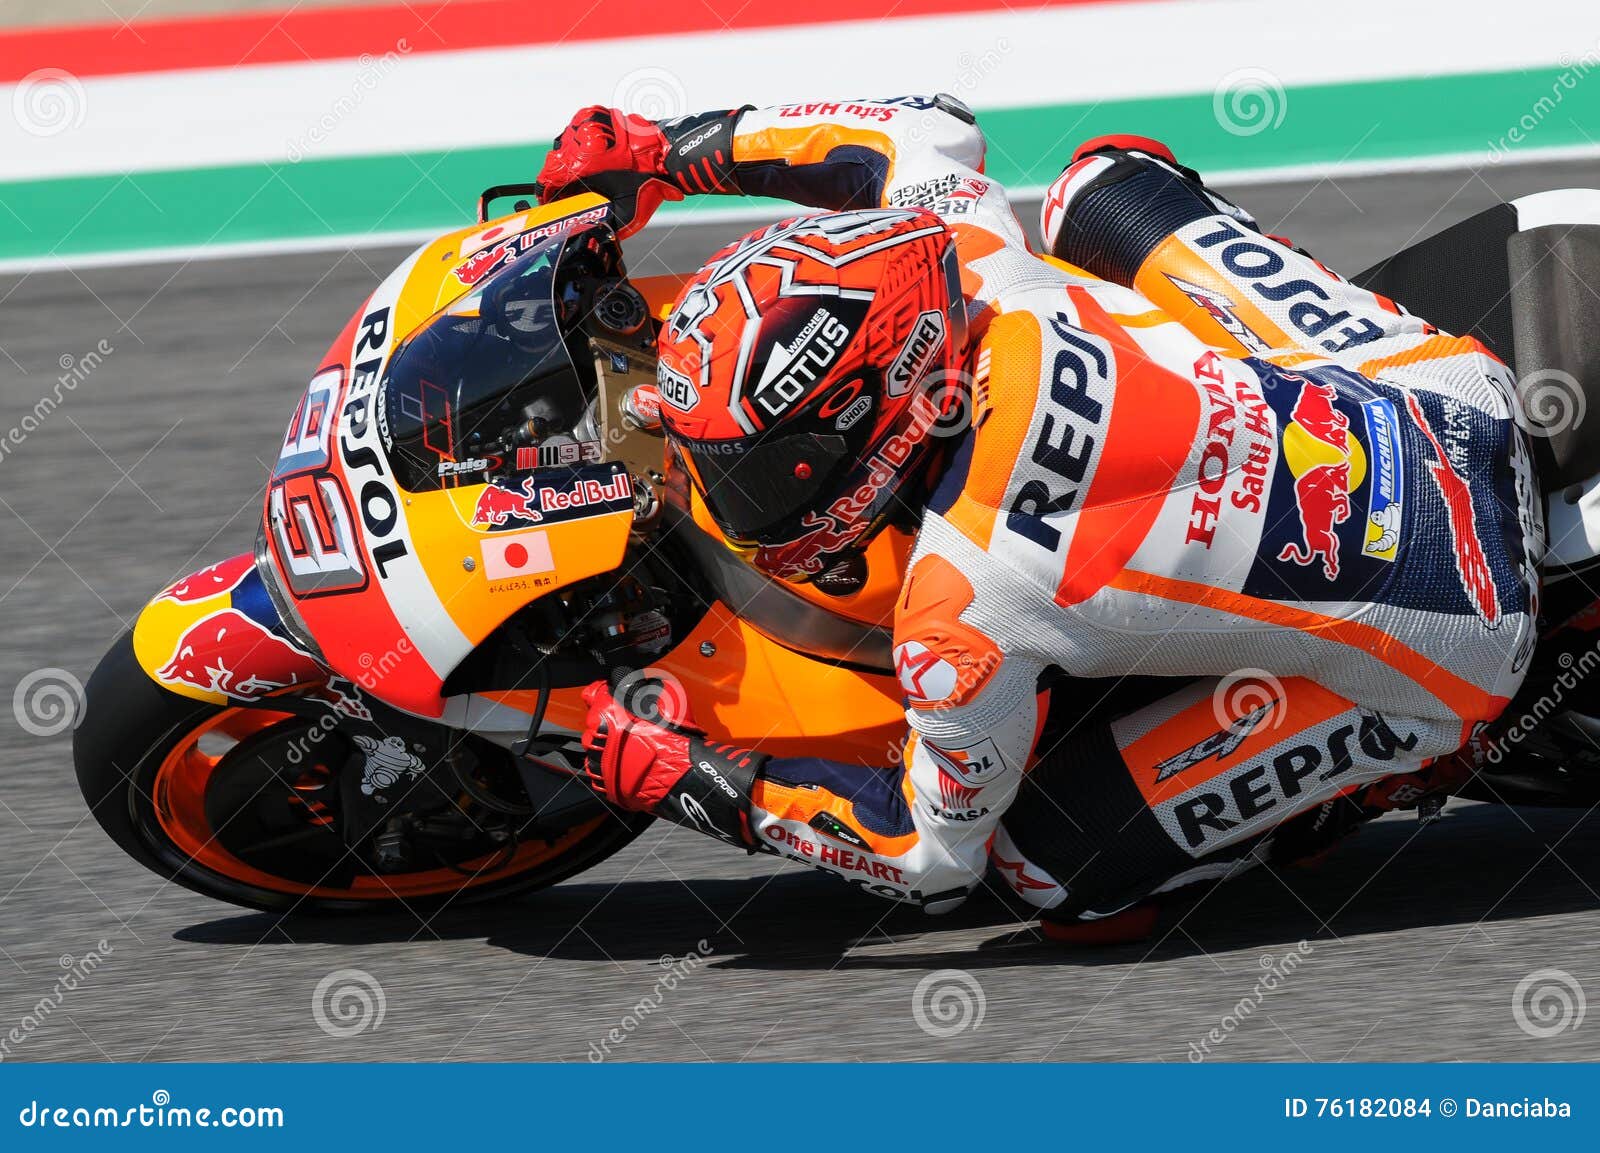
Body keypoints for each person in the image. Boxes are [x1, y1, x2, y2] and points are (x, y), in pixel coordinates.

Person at [532, 95, 1543, 928]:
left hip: (1462, 634)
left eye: (764, 468)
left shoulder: (956, 609)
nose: (732, 494)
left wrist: (712, 788)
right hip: (1450, 391)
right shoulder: (969, 261)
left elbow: (929, 857)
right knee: (1100, 184)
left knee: (1044, 871)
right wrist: (668, 152)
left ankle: (1361, 781)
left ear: (899, 409)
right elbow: (914, 127)